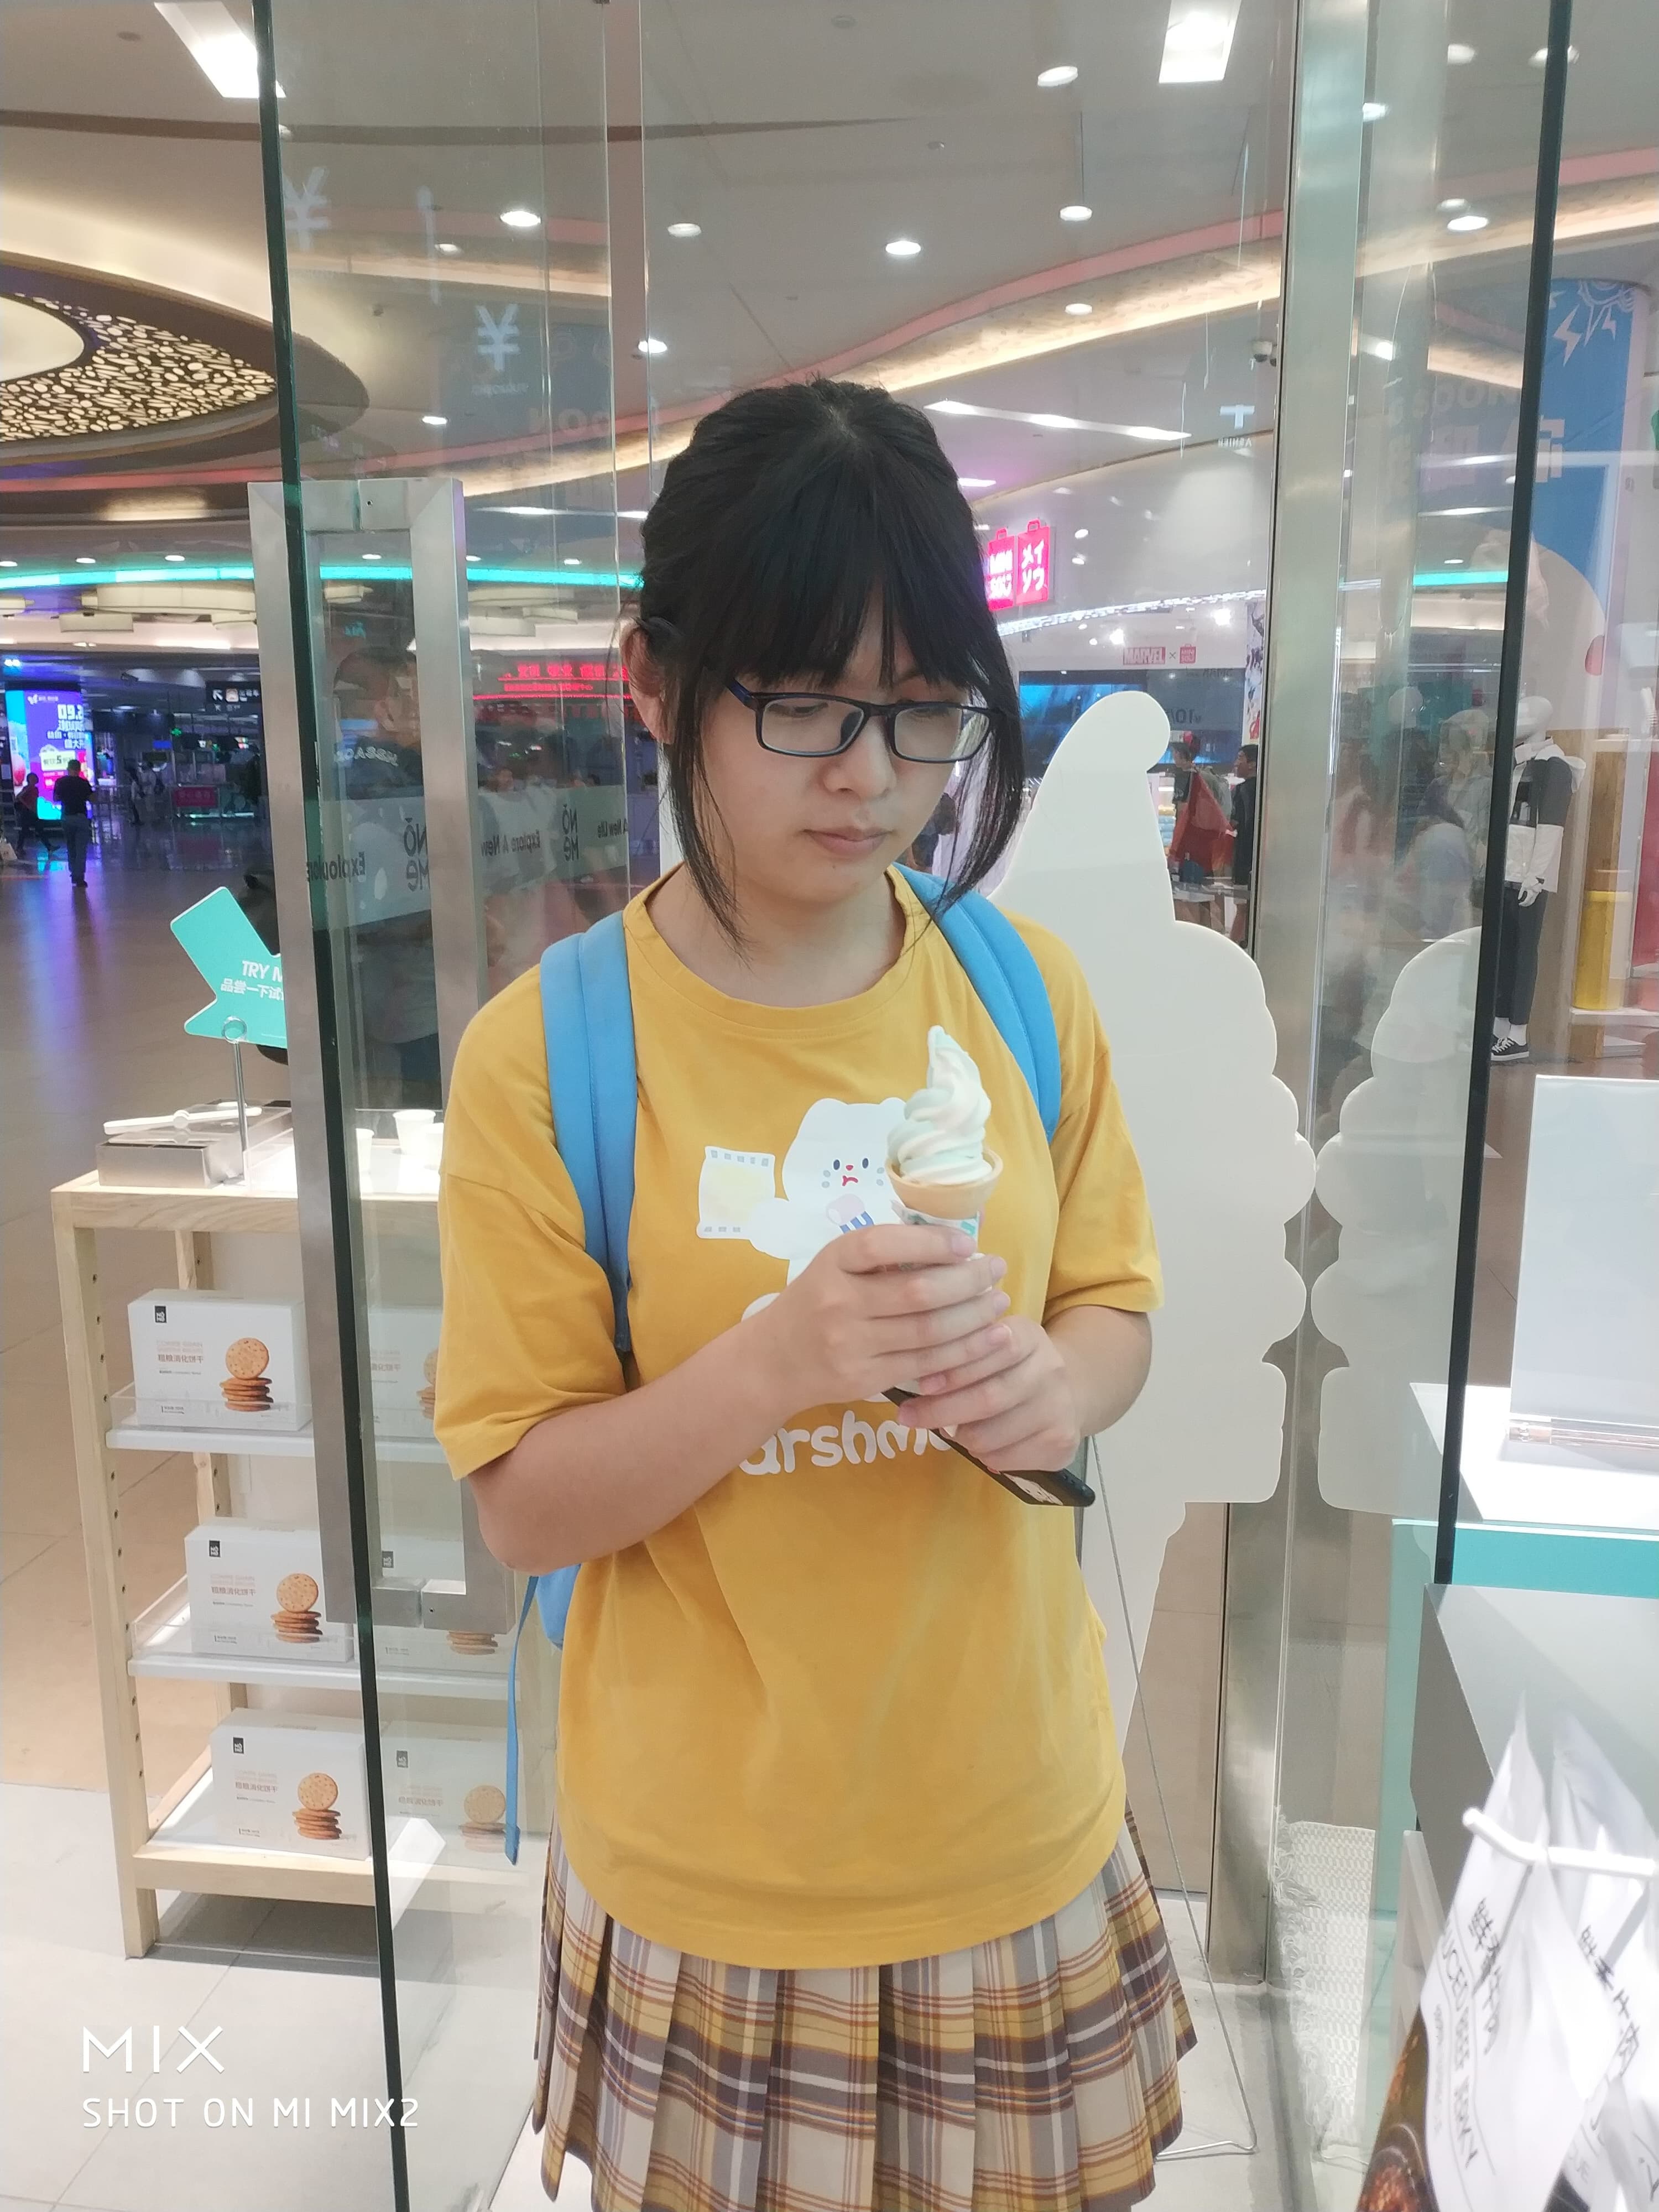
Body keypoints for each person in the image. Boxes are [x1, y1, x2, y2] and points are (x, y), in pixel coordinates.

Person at [435, 379, 1191, 2212]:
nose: (871, 775)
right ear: (654, 683)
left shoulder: (1022, 993)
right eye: (803, 705)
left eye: (923, 709)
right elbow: (524, 1504)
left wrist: (1060, 1387)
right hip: (715, 1876)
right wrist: (778, 1360)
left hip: (1014, 1820)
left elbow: (1114, 1305)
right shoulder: (554, 1057)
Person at [1228, 740, 1259, 944]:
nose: (1236, 763)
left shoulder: (1241, 791)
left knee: (1242, 907)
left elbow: (1234, 823)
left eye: (1240, 758)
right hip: (1263, 857)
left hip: (1243, 857)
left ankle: (1232, 948)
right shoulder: (1270, 789)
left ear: (1253, 764)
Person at [53, 757, 96, 886]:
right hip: (81, 817)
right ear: (79, 770)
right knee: (81, 848)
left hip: (67, 817)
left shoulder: (60, 782)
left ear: (68, 769)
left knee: (71, 846)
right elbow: (93, 799)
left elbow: (56, 798)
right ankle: (80, 876)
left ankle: (73, 872)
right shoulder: (84, 783)